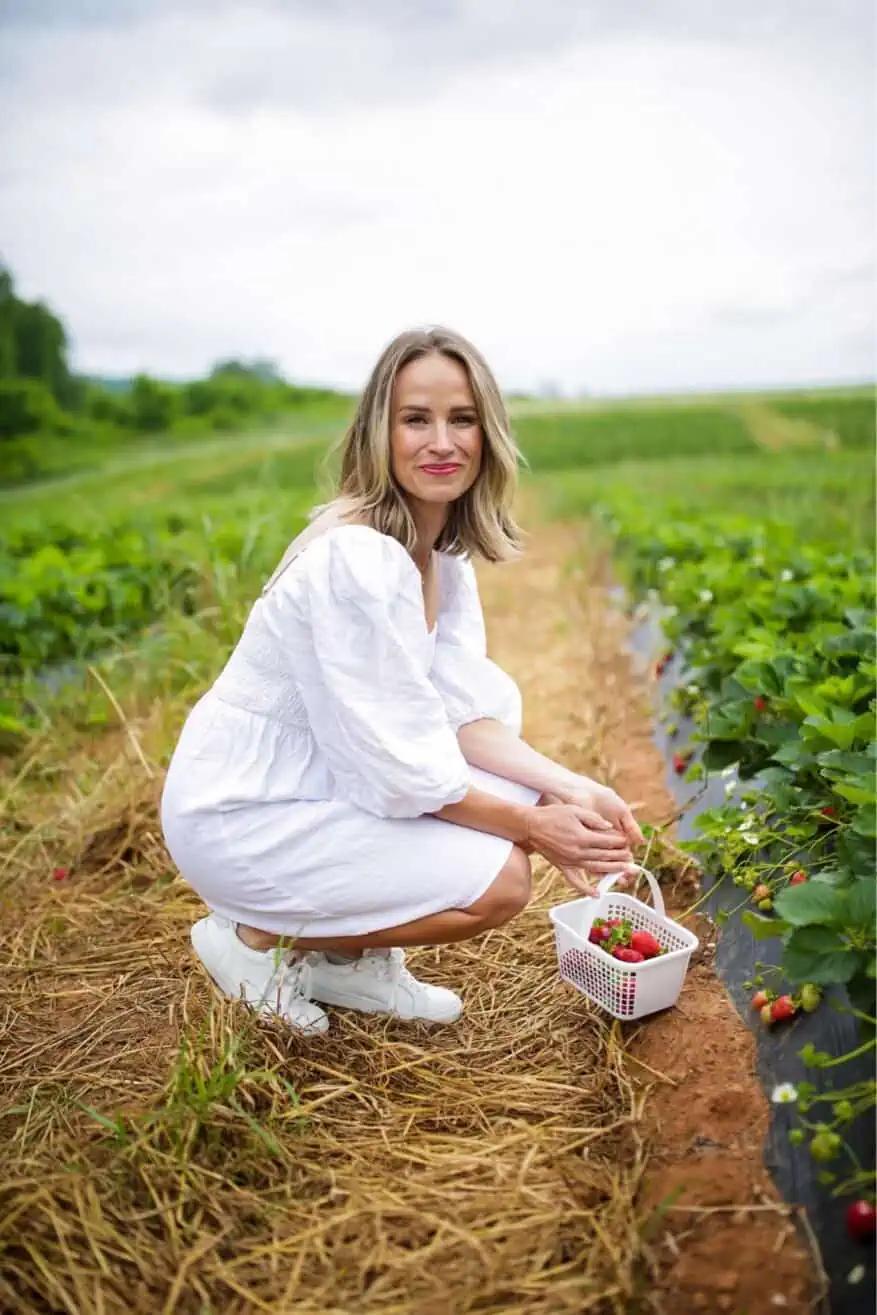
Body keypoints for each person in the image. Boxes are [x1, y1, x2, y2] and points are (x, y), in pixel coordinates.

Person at [160, 326, 644, 1035]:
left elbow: (454, 718)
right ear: (377, 433)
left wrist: (570, 788)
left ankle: (344, 963)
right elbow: (396, 766)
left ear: (488, 434)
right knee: (502, 877)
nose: (441, 441)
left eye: (462, 418)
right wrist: (538, 829)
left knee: (511, 790)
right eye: (416, 419)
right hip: (246, 809)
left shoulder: (438, 553)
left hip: (311, 784)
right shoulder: (357, 558)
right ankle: (249, 942)